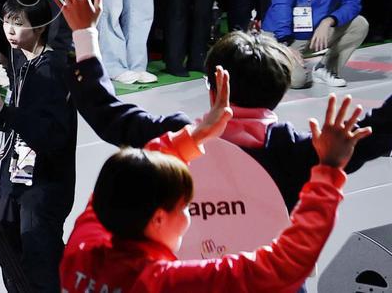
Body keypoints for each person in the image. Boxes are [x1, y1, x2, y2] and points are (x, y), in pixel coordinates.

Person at [52, 0, 392, 212]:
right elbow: (382, 131)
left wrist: (85, 33)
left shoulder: (179, 139)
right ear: (281, 90)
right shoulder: (302, 152)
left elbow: (108, 113)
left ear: (213, 88)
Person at [61, 82, 371, 291]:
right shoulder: (169, 282)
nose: (189, 216)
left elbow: (130, 178)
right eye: (183, 207)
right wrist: (328, 171)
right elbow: (285, 264)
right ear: (157, 218)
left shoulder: (82, 247)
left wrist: (195, 136)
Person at [0, 0, 77, 293]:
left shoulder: (51, 70)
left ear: (41, 27)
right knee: (11, 256)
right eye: (7, 22)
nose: (9, 30)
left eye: (18, 24)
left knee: (39, 267)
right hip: (16, 181)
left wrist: (6, 112)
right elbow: (16, 124)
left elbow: (50, 135)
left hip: (42, 187)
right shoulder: (25, 64)